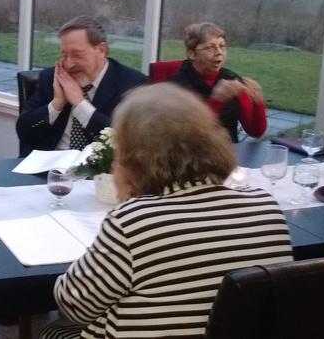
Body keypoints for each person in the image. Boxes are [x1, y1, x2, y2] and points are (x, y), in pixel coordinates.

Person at [42, 84, 293, 339]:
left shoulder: (134, 222)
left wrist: (129, 202)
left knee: (54, 331)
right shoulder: (267, 206)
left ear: (133, 158)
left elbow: (73, 305)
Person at [16, 16, 147, 156]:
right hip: (48, 164)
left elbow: (123, 142)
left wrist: (80, 104)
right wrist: (56, 104)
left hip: (98, 167)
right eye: (64, 55)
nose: (69, 64)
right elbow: (24, 132)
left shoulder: (132, 84)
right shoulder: (52, 78)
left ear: (101, 50)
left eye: (77, 55)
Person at [169, 22, 267, 142]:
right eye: (210, 48)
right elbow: (192, 136)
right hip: (193, 151)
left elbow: (256, 132)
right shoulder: (177, 87)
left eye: (222, 46)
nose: (219, 52)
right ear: (191, 53)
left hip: (229, 149)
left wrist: (258, 102)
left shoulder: (232, 80)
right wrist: (217, 100)